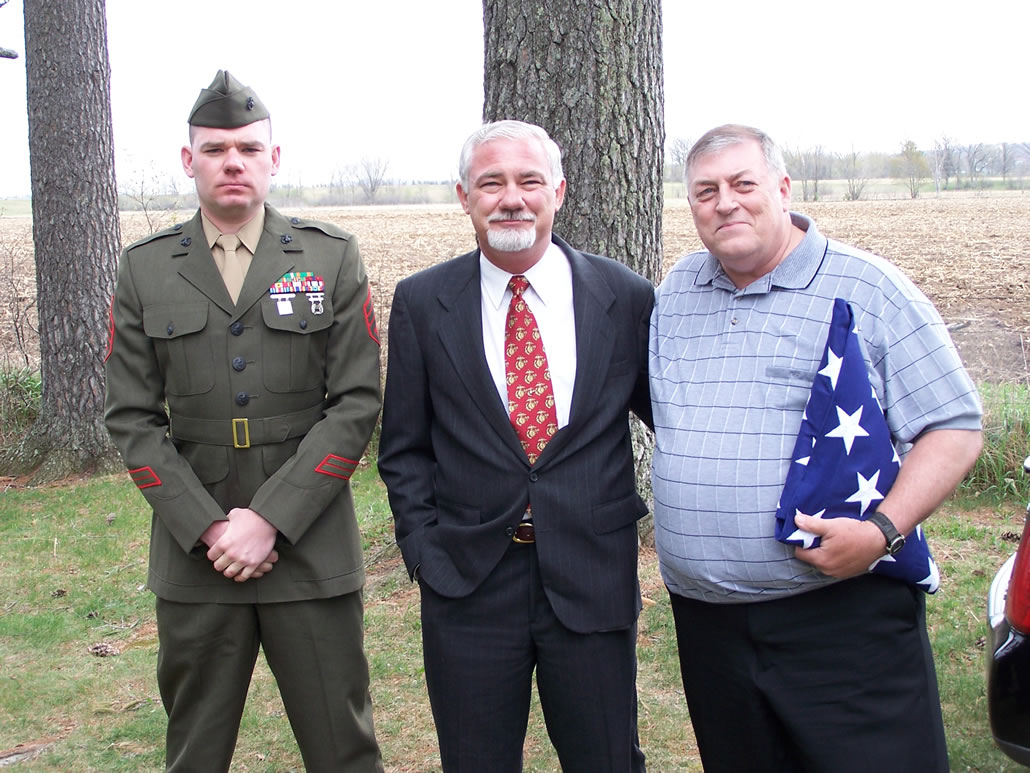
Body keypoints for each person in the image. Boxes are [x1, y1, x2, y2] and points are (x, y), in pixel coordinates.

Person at [649, 124, 984, 773]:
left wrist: (883, 529)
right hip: (710, 629)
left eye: (744, 184)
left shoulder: (870, 288)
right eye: (706, 191)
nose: (726, 203)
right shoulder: (677, 293)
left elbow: (954, 425)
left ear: (782, 187)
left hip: (840, 620)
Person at [104, 70, 383, 772]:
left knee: (342, 748)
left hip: (310, 548)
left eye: (249, 148)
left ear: (274, 159)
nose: (233, 161)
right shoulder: (145, 270)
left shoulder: (327, 256)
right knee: (195, 751)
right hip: (196, 556)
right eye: (216, 148)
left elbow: (355, 401)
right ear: (188, 159)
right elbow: (132, 417)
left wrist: (270, 519)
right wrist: (208, 526)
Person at [377, 119, 652, 772]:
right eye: (491, 182)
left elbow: (675, 419)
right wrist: (424, 549)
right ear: (463, 196)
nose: (511, 198)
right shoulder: (422, 302)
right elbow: (404, 448)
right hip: (468, 584)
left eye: (529, 180)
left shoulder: (625, 297)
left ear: (557, 190)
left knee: (608, 758)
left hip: (591, 577)